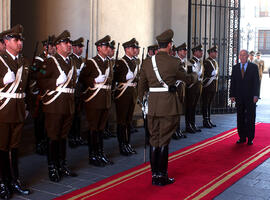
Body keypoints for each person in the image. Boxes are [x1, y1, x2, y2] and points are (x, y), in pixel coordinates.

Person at [138, 29, 197, 186]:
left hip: (152, 106)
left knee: (154, 139)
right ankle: (162, 176)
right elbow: (187, 79)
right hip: (168, 106)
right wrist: (195, 75)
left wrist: (143, 103)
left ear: (158, 45)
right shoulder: (174, 62)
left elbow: (141, 86)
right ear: (170, 45)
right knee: (164, 140)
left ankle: (154, 175)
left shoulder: (147, 62)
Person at [37, 30, 77, 182]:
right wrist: (55, 82)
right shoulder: (50, 61)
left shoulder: (71, 62)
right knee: (53, 137)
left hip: (68, 105)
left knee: (63, 137)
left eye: (69, 43)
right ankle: (52, 167)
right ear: (58, 46)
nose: (69, 45)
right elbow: (39, 80)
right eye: (65, 43)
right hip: (54, 106)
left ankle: (62, 165)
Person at [0, 24, 31, 199]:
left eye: (21, 40)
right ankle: (3, 183)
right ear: (6, 42)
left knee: (15, 147)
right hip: (3, 110)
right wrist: (2, 81)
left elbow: (28, 86)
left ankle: (15, 180)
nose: (20, 43)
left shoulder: (24, 62)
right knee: (2, 148)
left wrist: (28, 107)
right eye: (16, 39)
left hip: (19, 109)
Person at [79, 35, 114, 166]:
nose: (107, 48)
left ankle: (100, 153)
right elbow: (82, 78)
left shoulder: (109, 62)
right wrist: (93, 81)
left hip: (105, 100)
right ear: (99, 48)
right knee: (94, 128)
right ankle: (93, 156)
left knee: (101, 128)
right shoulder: (91, 62)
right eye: (105, 46)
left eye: (108, 46)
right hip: (94, 100)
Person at [31, 35, 55, 156]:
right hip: (40, 92)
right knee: (40, 120)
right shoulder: (39, 59)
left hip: (50, 93)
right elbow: (34, 73)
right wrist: (45, 71)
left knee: (48, 120)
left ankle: (46, 142)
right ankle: (39, 143)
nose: (53, 48)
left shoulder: (53, 59)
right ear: (45, 47)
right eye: (51, 46)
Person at [229, 49, 260, 145]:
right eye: (241, 55)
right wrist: (232, 95)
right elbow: (233, 82)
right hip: (239, 97)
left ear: (247, 57)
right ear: (239, 56)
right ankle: (242, 137)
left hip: (250, 97)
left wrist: (256, 95)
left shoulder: (253, 67)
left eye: (244, 55)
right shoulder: (235, 68)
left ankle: (250, 138)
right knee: (240, 117)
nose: (242, 57)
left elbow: (256, 82)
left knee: (250, 117)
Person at [114, 38, 138, 156]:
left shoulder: (134, 62)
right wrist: (124, 78)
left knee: (129, 121)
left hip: (131, 93)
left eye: (135, 48)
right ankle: (122, 145)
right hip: (123, 94)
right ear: (127, 49)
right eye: (133, 48)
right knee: (122, 121)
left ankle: (128, 144)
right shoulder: (120, 62)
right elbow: (115, 79)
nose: (135, 50)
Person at [68, 37, 86, 147]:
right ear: (74, 48)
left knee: (79, 116)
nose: (81, 49)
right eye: (79, 47)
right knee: (72, 116)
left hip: (81, 91)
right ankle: (72, 137)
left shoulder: (83, 60)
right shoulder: (71, 59)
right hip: (73, 91)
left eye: (81, 47)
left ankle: (78, 136)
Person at [185, 44, 204, 133]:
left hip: (198, 87)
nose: (202, 53)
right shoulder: (190, 62)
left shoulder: (200, 62)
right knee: (189, 107)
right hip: (192, 87)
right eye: (200, 51)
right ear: (195, 52)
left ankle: (193, 124)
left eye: (202, 51)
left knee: (194, 107)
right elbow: (189, 76)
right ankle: (188, 125)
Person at [172, 42, 188, 139]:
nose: (186, 52)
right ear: (179, 52)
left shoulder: (184, 61)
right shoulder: (174, 61)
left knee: (179, 110)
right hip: (176, 87)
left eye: (186, 50)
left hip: (181, 87)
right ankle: (174, 131)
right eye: (184, 50)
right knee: (175, 110)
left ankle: (178, 130)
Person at [202, 46, 219, 128]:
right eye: (215, 52)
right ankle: (205, 120)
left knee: (209, 104)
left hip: (213, 86)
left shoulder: (215, 62)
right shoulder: (206, 62)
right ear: (210, 53)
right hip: (207, 87)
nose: (216, 53)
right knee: (205, 103)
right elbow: (204, 75)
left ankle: (209, 119)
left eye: (216, 52)